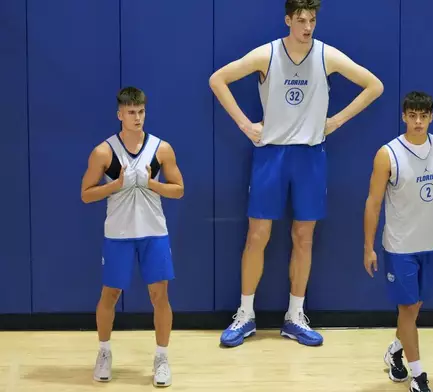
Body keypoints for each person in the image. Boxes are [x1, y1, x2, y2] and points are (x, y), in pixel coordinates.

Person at [209, 0, 384, 347]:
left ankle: (295, 315)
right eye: (301, 19)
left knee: (304, 237)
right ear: (288, 20)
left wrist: (335, 121)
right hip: (270, 155)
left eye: (313, 20)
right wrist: (246, 125)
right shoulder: (267, 55)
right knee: (257, 235)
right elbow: (218, 79)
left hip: (311, 156)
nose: (307, 26)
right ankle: (245, 315)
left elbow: (374, 86)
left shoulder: (326, 56)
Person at [80, 87, 185, 387]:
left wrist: (153, 184)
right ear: (119, 115)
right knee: (109, 295)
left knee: (159, 295)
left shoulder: (161, 148)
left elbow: (179, 189)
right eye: (130, 112)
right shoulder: (104, 151)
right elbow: (85, 194)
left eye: (140, 112)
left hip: (154, 233)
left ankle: (162, 358)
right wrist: (116, 185)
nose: (137, 117)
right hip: (119, 234)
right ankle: (103, 353)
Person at [363, 91, 433, 392]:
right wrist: (368, 246)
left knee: (415, 307)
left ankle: (396, 349)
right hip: (399, 246)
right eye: (412, 116)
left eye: (424, 116)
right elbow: (373, 203)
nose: (418, 121)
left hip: (431, 243)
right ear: (404, 117)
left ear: (431, 117)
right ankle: (418, 377)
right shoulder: (388, 154)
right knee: (407, 310)